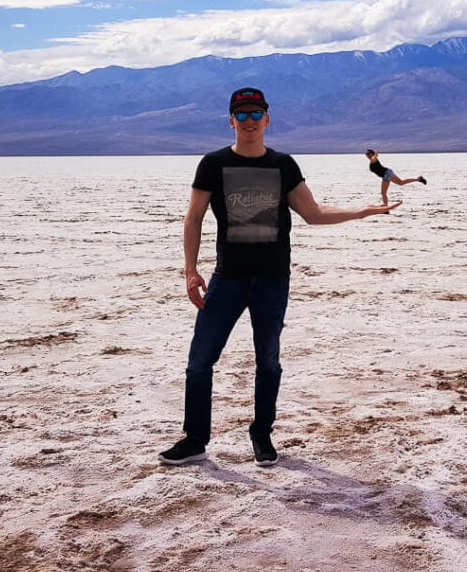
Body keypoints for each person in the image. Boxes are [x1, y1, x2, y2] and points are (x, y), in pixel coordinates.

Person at [159, 87, 400, 467]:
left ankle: (261, 434)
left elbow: (313, 213)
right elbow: (194, 217)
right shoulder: (212, 164)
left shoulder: (283, 165)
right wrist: (190, 270)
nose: (250, 121)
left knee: (268, 361)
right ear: (231, 121)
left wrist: (362, 211)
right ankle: (195, 438)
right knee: (200, 360)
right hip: (227, 278)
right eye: (242, 115)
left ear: (268, 119)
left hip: (272, 280)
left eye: (257, 114)